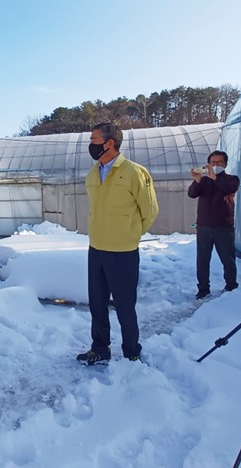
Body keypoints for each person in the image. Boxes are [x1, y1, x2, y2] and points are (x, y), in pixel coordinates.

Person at [77, 122, 159, 366]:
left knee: (125, 305)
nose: (90, 145)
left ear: (109, 142)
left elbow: (150, 210)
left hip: (123, 251)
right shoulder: (93, 173)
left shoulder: (134, 172)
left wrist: (130, 234)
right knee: (98, 303)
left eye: (93, 140)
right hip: (97, 249)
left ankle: (131, 350)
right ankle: (100, 348)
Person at [188, 150, 240, 299]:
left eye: (219, 163)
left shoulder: (231, 179)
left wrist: (215, 177)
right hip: (204, 226)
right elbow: (192, 193)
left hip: (224, 227)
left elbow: (230, 188)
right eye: (213, 163)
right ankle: (203, 288)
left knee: (228, 259)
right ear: (208, 164)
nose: (216, 165)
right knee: (203, 259)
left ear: (225, 164)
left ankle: (231, 286)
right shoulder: (204, 181)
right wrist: (197, 180)